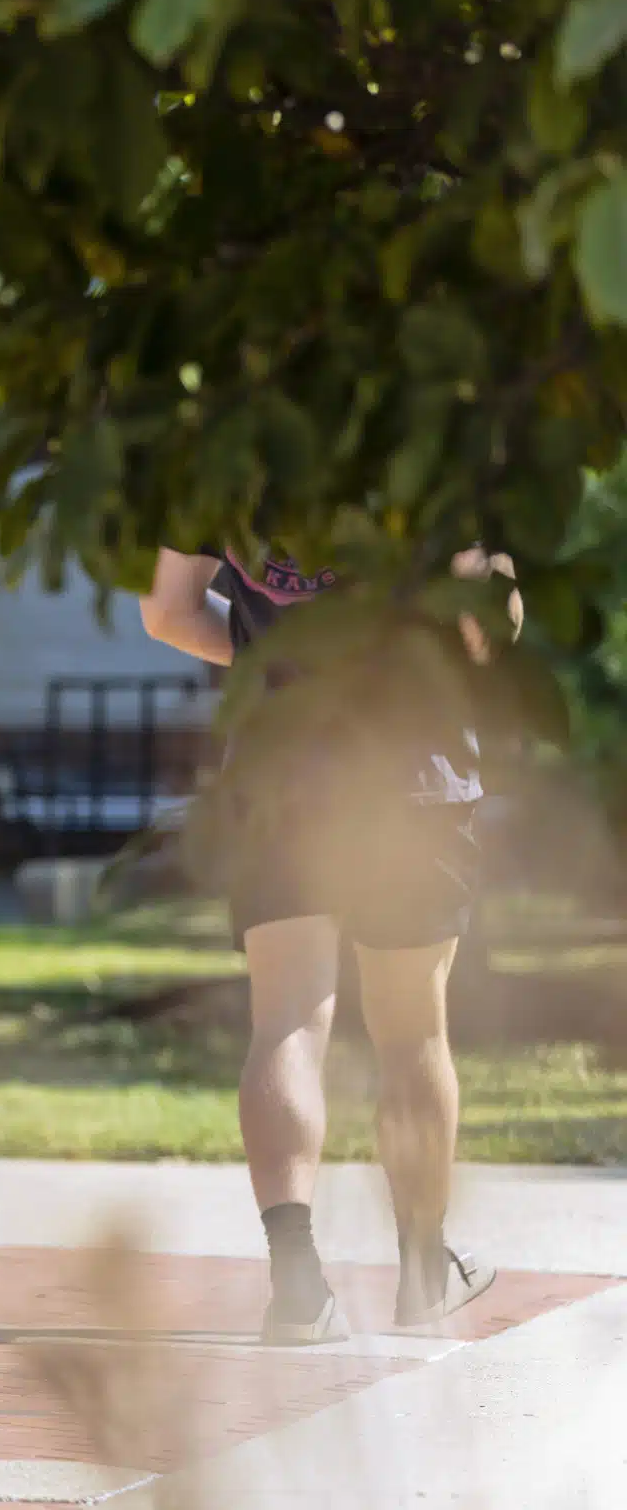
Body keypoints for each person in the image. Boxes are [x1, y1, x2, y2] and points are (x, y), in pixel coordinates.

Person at [139, 542, 517, 1343]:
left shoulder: (224, 440)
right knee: (413, 1026)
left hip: (278, 775)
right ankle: (422, 1273)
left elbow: (167, 611)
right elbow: (483, 632)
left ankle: (298, 1287)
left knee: (286, 1022)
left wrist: (263, 651)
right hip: (413, 772)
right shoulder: (433, 432)